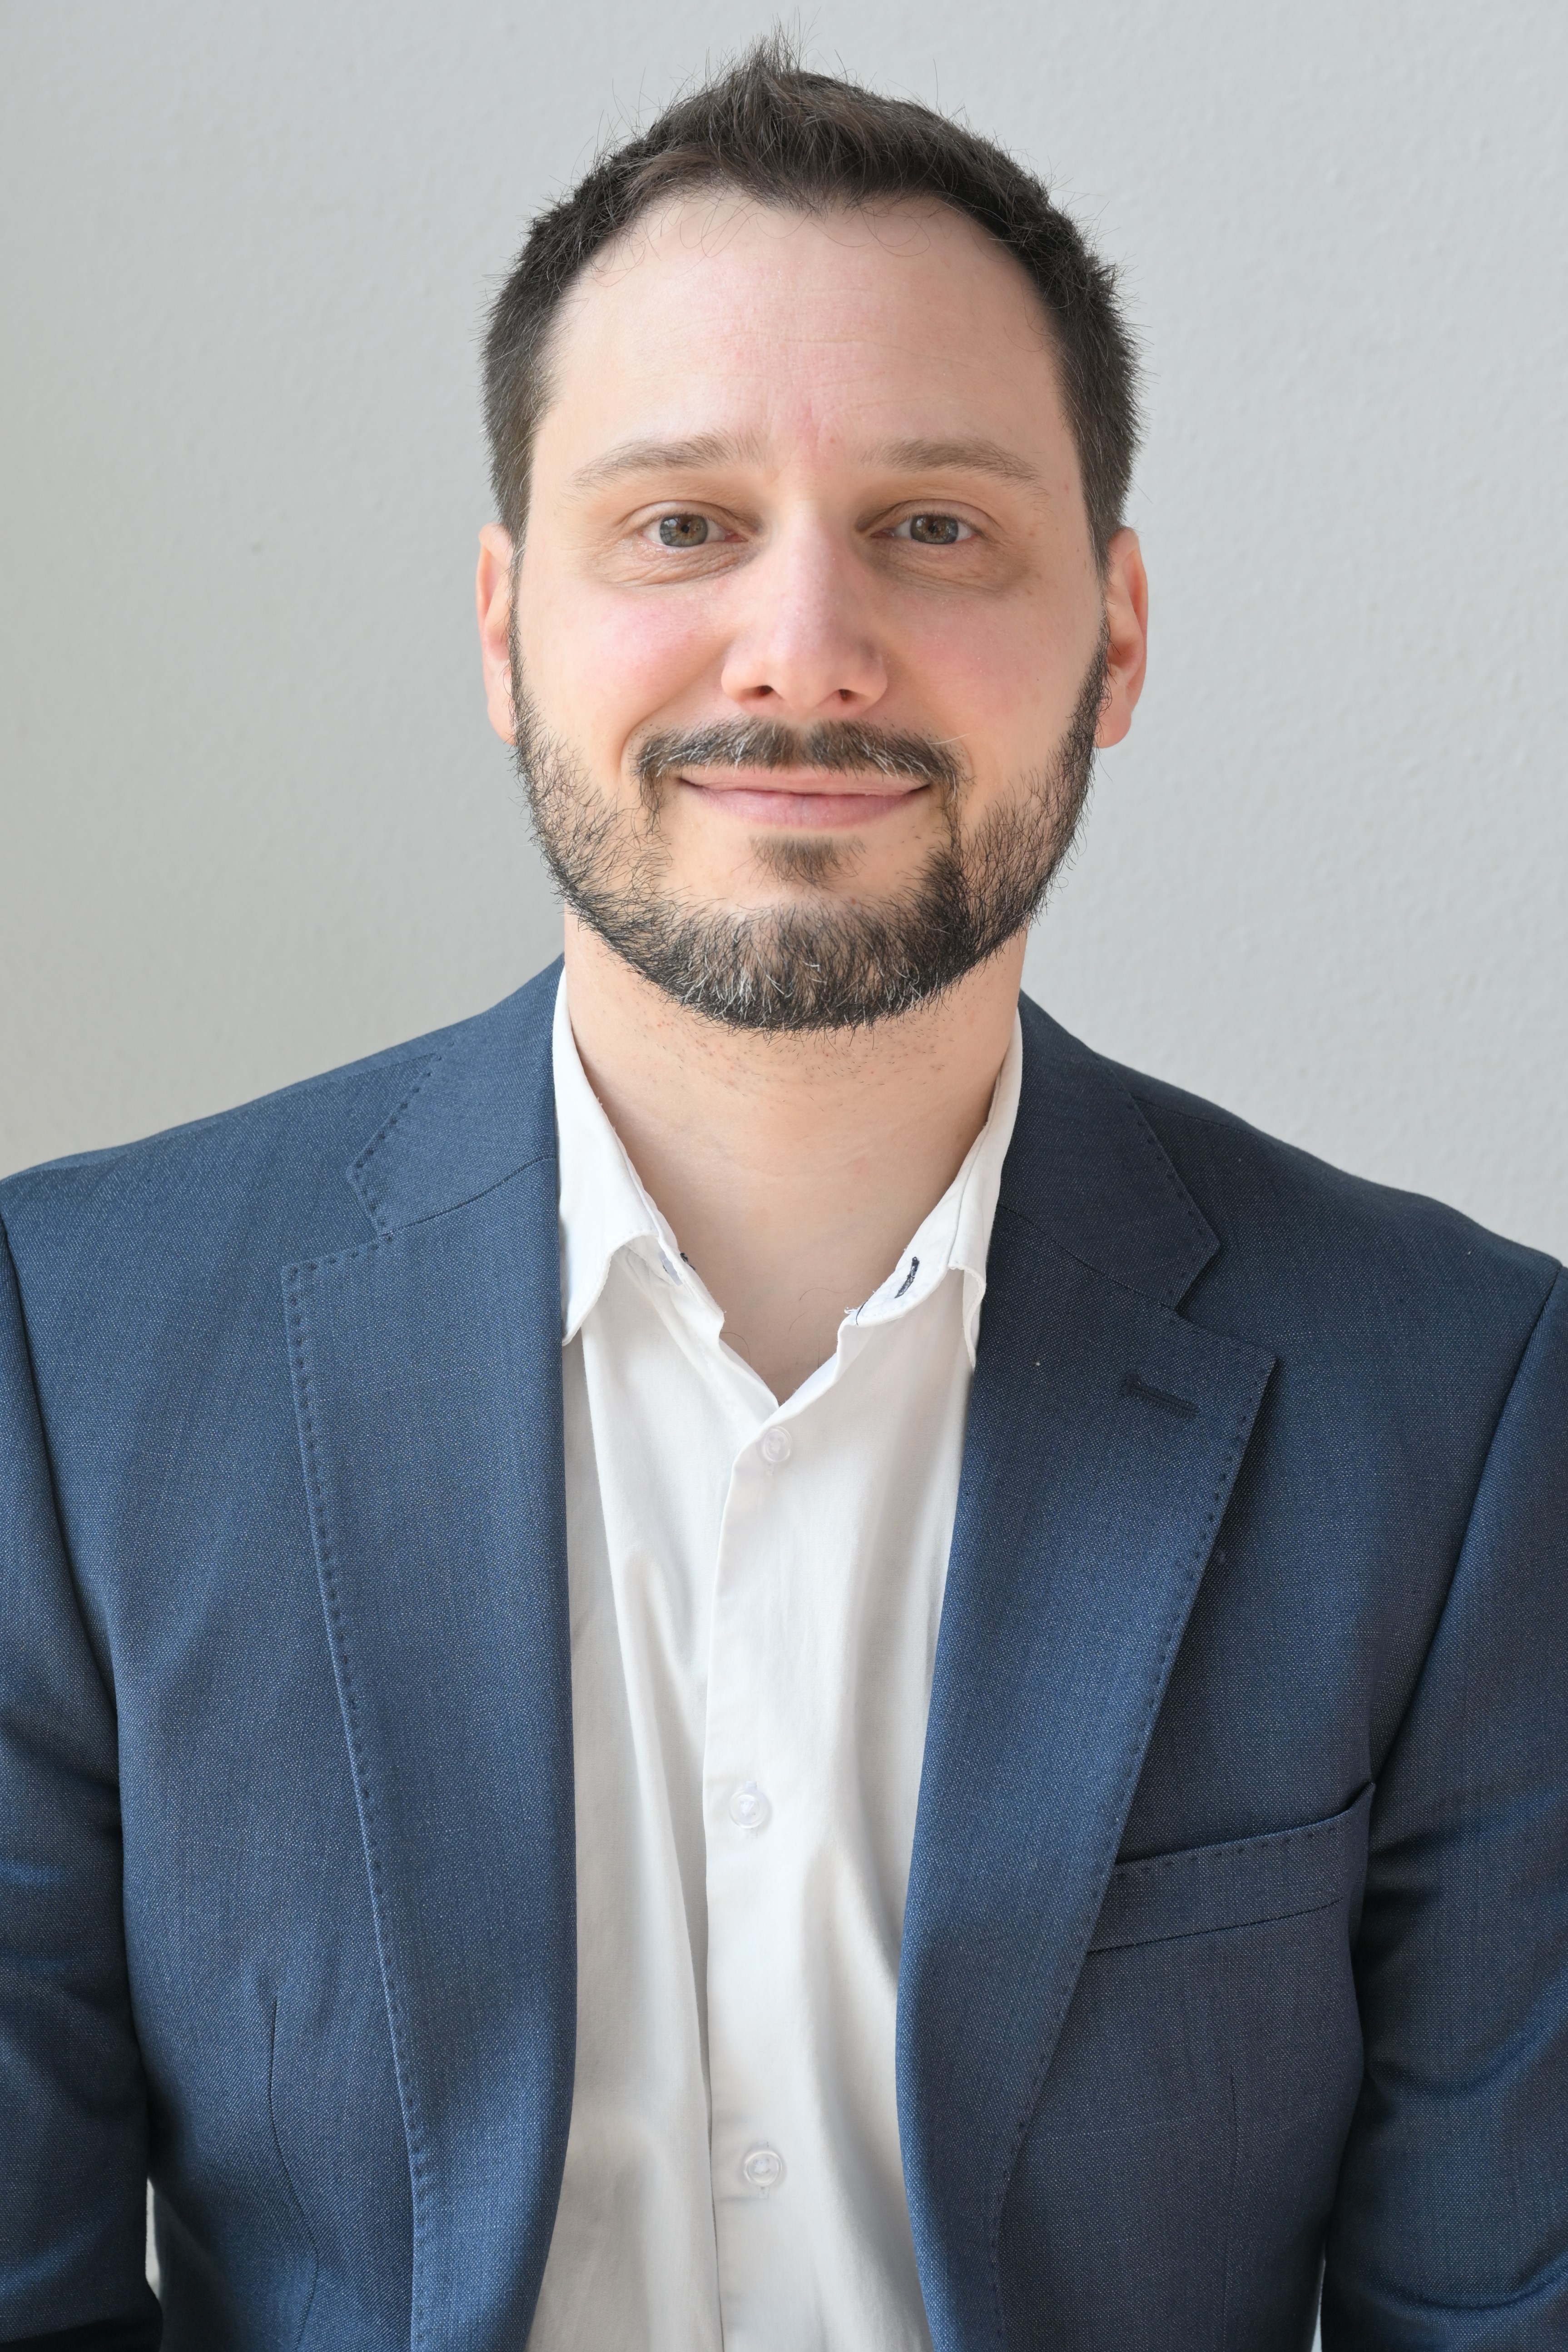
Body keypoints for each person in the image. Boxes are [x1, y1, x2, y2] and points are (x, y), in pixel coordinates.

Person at [2, 37, 1564, 2352]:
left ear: (1117, 632)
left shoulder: (1455, 1404)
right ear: (501, 624)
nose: (803, 645)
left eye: (933, 526)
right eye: (679, 523)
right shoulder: (70, 1350)